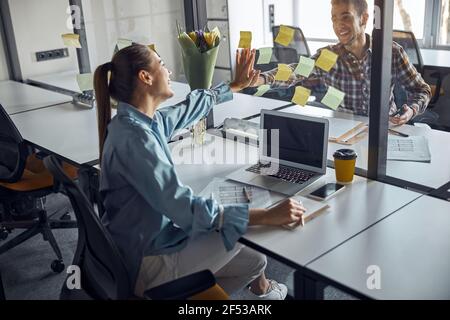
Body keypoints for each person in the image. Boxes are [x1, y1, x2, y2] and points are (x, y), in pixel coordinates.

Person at [94, 44, 306, 300]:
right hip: (147, 263)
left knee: (256, 261)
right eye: (162, 64)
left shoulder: (139, 123)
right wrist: (265, 215)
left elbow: (186, 110)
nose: (169, 70)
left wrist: (235, 85)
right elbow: (182, 208)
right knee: (243, 228)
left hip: (144, 244)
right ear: (145, 77)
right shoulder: (137, 138)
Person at [254, 0, 431, 126]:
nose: (339, 25)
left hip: (384, 129)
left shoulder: (390, 52)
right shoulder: (330, 55)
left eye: (345, 17)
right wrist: (260, 79)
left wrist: (411, 111)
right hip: (343, 131)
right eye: (334, 19)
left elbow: (421, 90)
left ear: (363, 19)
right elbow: (296, 71)